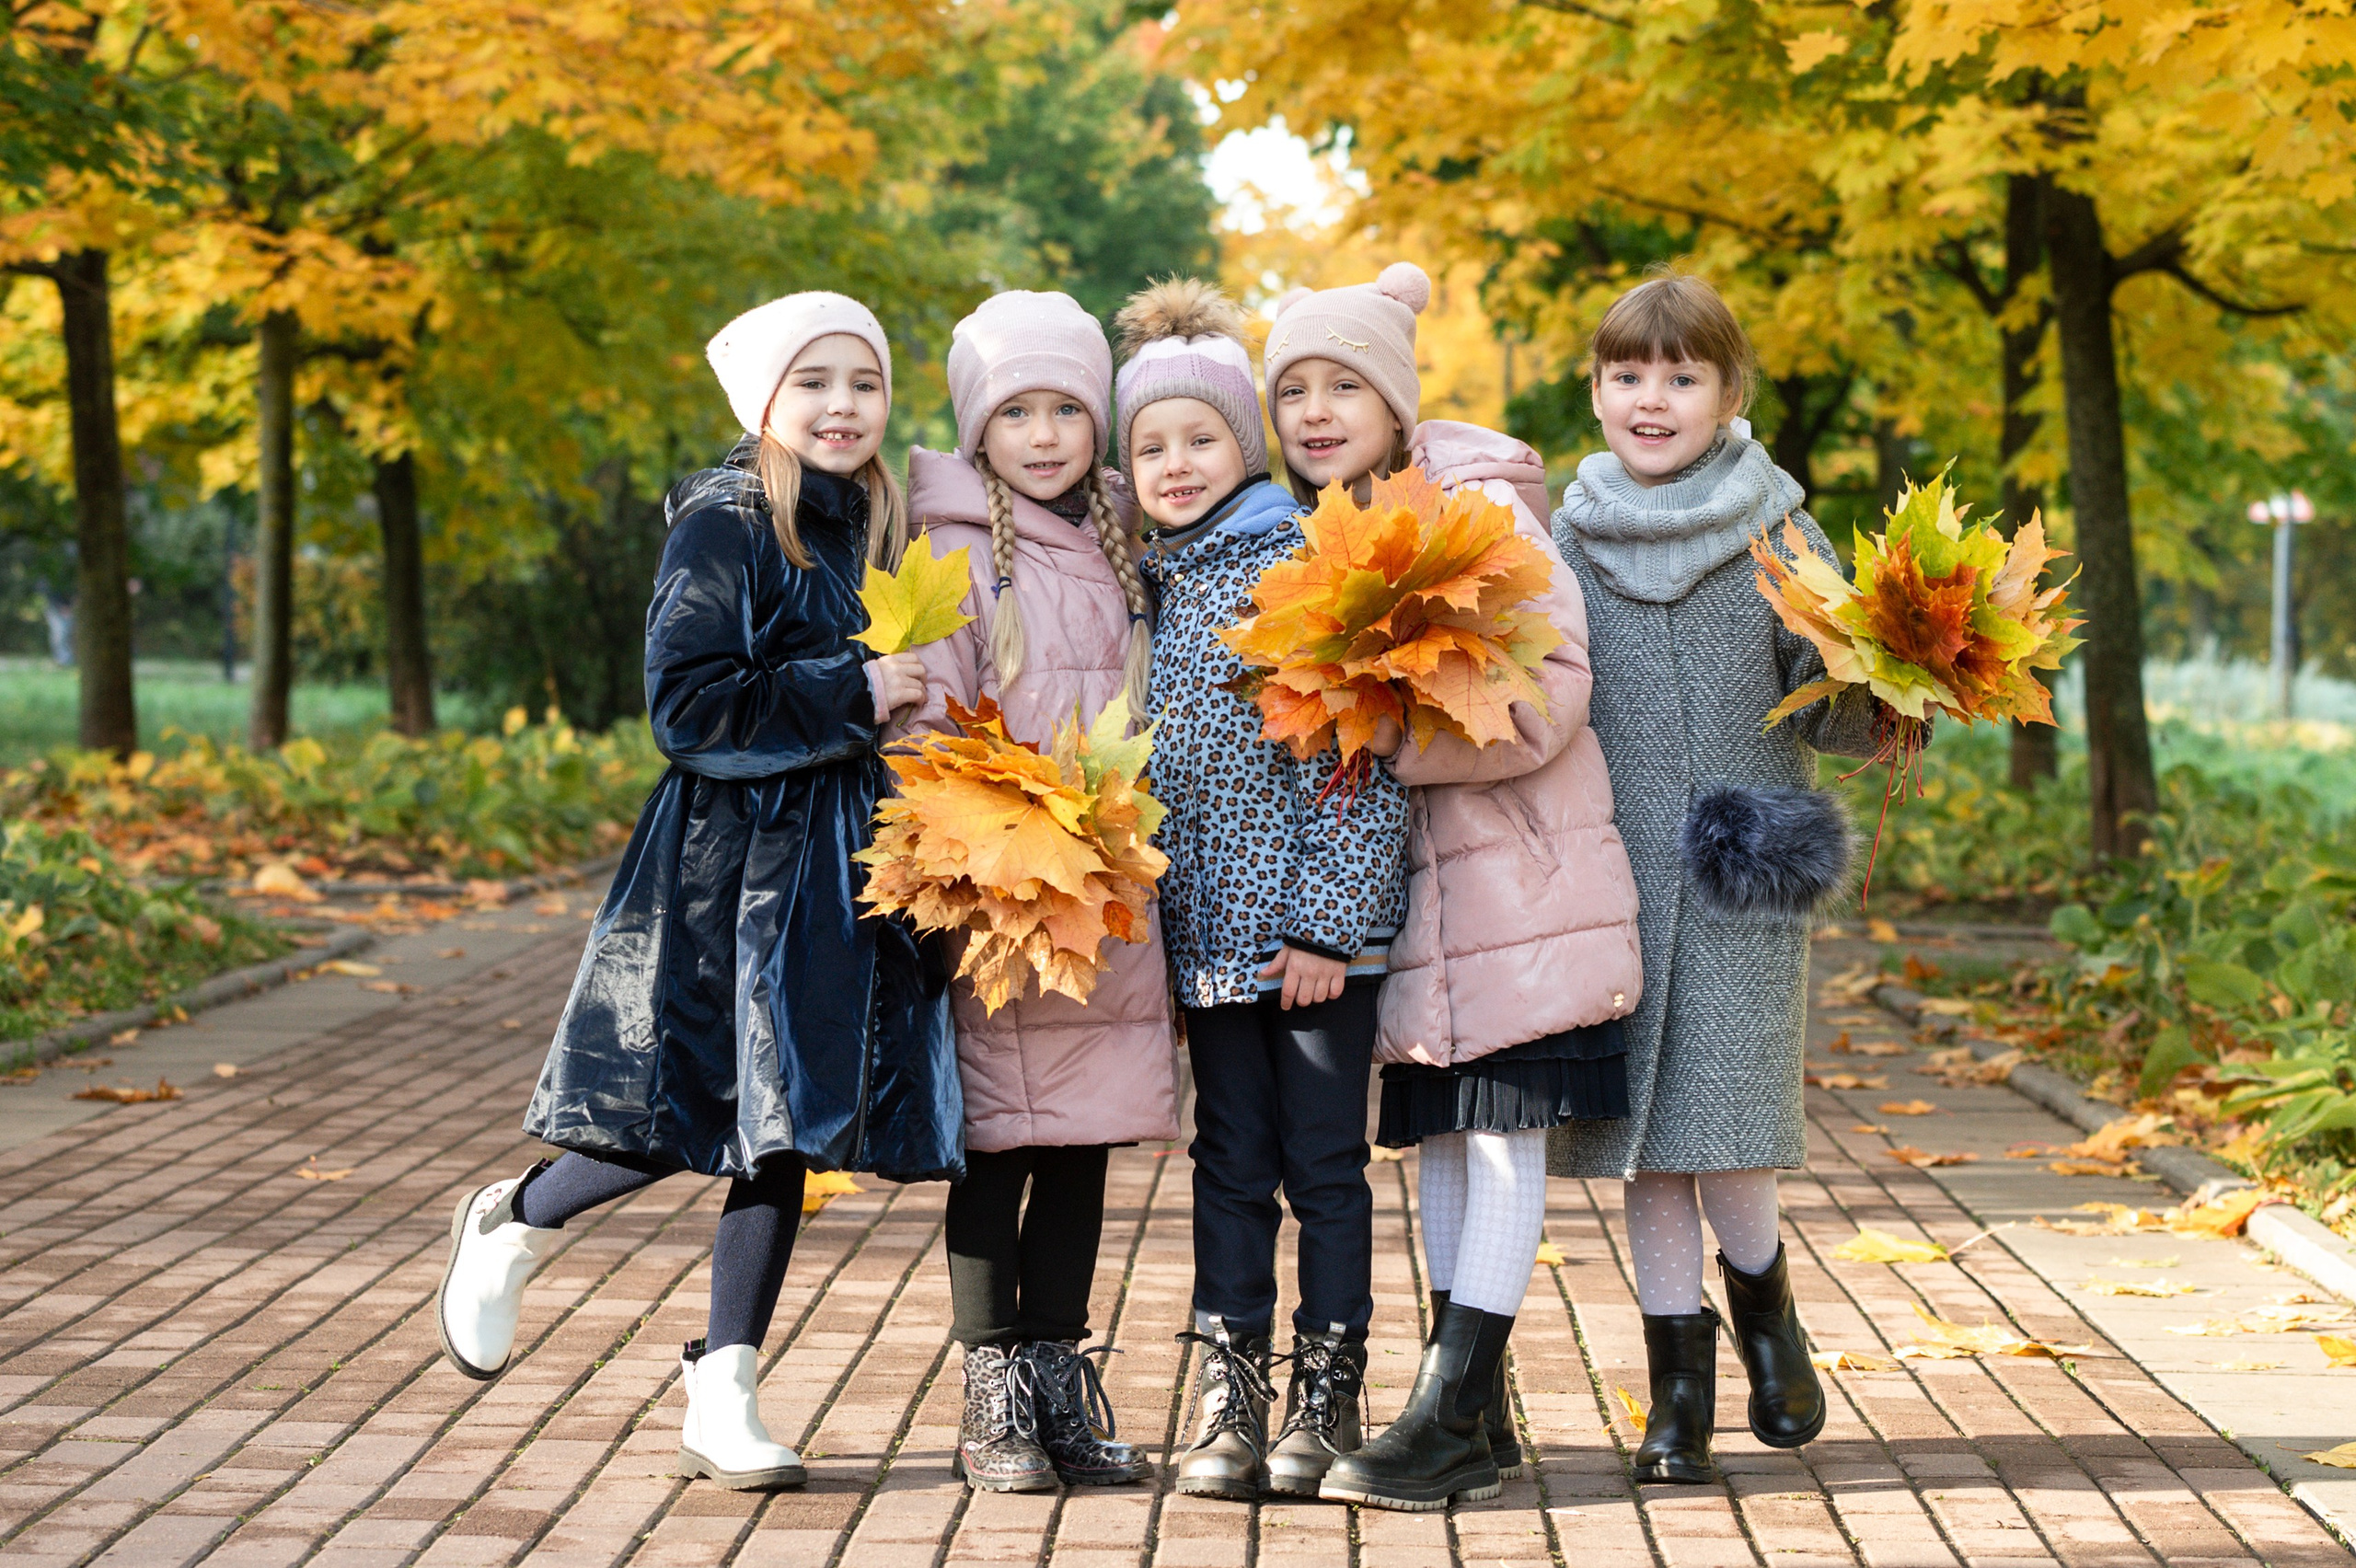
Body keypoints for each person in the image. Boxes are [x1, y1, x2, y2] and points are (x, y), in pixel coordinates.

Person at [434, 292, 962, 1493]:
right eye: (813, 381)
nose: (842, 406)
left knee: (787, 1131)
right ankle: (516, 1220)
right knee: (692, 1109)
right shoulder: (726, 522)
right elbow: (689, 710)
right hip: (729, 866)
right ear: (762, 401)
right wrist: (858, 693)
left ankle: (723, 1391)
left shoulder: (866, 523)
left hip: (833, 861)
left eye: (864, 383)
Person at [1252, 264, 1644, 1511]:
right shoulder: (1316, 535)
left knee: (1496, 1134)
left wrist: (1371, 729)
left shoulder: (1480, 514)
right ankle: (1467, 1401)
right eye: (1294, 391)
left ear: (1395, 397)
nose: (1316, 410)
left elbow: (1546, 699)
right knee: (1437, 1141)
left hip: (1520, 893)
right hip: (1423, 913)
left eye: (1343, 384)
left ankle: (1452, 1414)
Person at [1549, 271, 1878, 1483]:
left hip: (1747, 857)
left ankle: (1767, 1307)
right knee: (1642, 1140)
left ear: (1728, 394)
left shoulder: (1781, 529)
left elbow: (1830, 687)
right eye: (1629, 375)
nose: (1653, 397)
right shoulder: (1564, 535)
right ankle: (1675, 1391)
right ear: (1596, 393)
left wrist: (1888, 691)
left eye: (1681, 376)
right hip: (1615, 865)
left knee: (1729, 1128)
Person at [1114, 276, 1409, 1502]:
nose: (1177, 465)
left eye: (1201, 438)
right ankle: (1228, 1399)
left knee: (1324, 1171)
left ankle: (1325, 1398)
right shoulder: (1159, 583)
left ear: (1246, 444)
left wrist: (1328, 924)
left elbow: (1360, 757)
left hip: (1309, 943)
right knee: (1228, 1165)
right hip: (1207, 947)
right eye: (1150, 447)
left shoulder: (1294, 561)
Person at [899, 290, 1177, 1493]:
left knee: (1084, 1142)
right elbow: (923, 725)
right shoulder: (953, 550)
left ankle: (1059, 1372)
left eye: (1068, 407)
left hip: (1109, 892)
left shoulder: (1128, 546)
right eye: (1019, 411)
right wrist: (980, 849)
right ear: (979, 429)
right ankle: (992, 1392)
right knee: (1000, 1145)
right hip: (997, 896)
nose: (1048, 432)